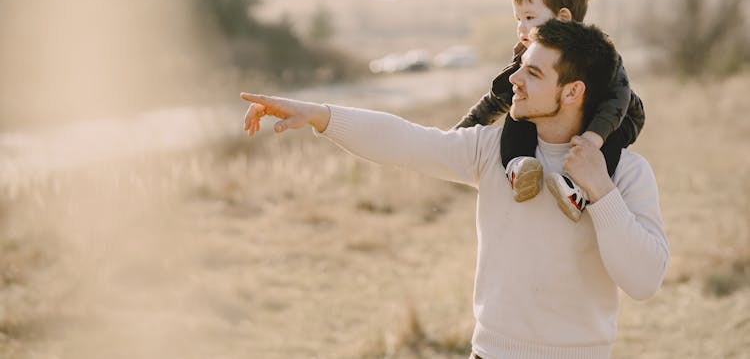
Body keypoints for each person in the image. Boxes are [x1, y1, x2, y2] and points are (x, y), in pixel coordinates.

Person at [240, 19, 669, 359]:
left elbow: (645, 281)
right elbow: (407, 141)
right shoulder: (491, 149)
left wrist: (600, 192)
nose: (514, 79)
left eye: (533, 73)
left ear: (573, 91)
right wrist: (318, 114)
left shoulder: (627, 173)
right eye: (521, 65)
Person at [455, 0, 644, 221]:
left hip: (614, 117)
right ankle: (519, 167)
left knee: (608, 143)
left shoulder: (597, 52)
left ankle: (578, 191)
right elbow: (502, 95)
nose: (521, 27)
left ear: (563, 18)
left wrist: (593, 138)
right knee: (519, 112)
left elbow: (618, 98)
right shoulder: (529, 54)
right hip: (559, 116)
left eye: (530, 18)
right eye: (518, 19)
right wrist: (463, 130)